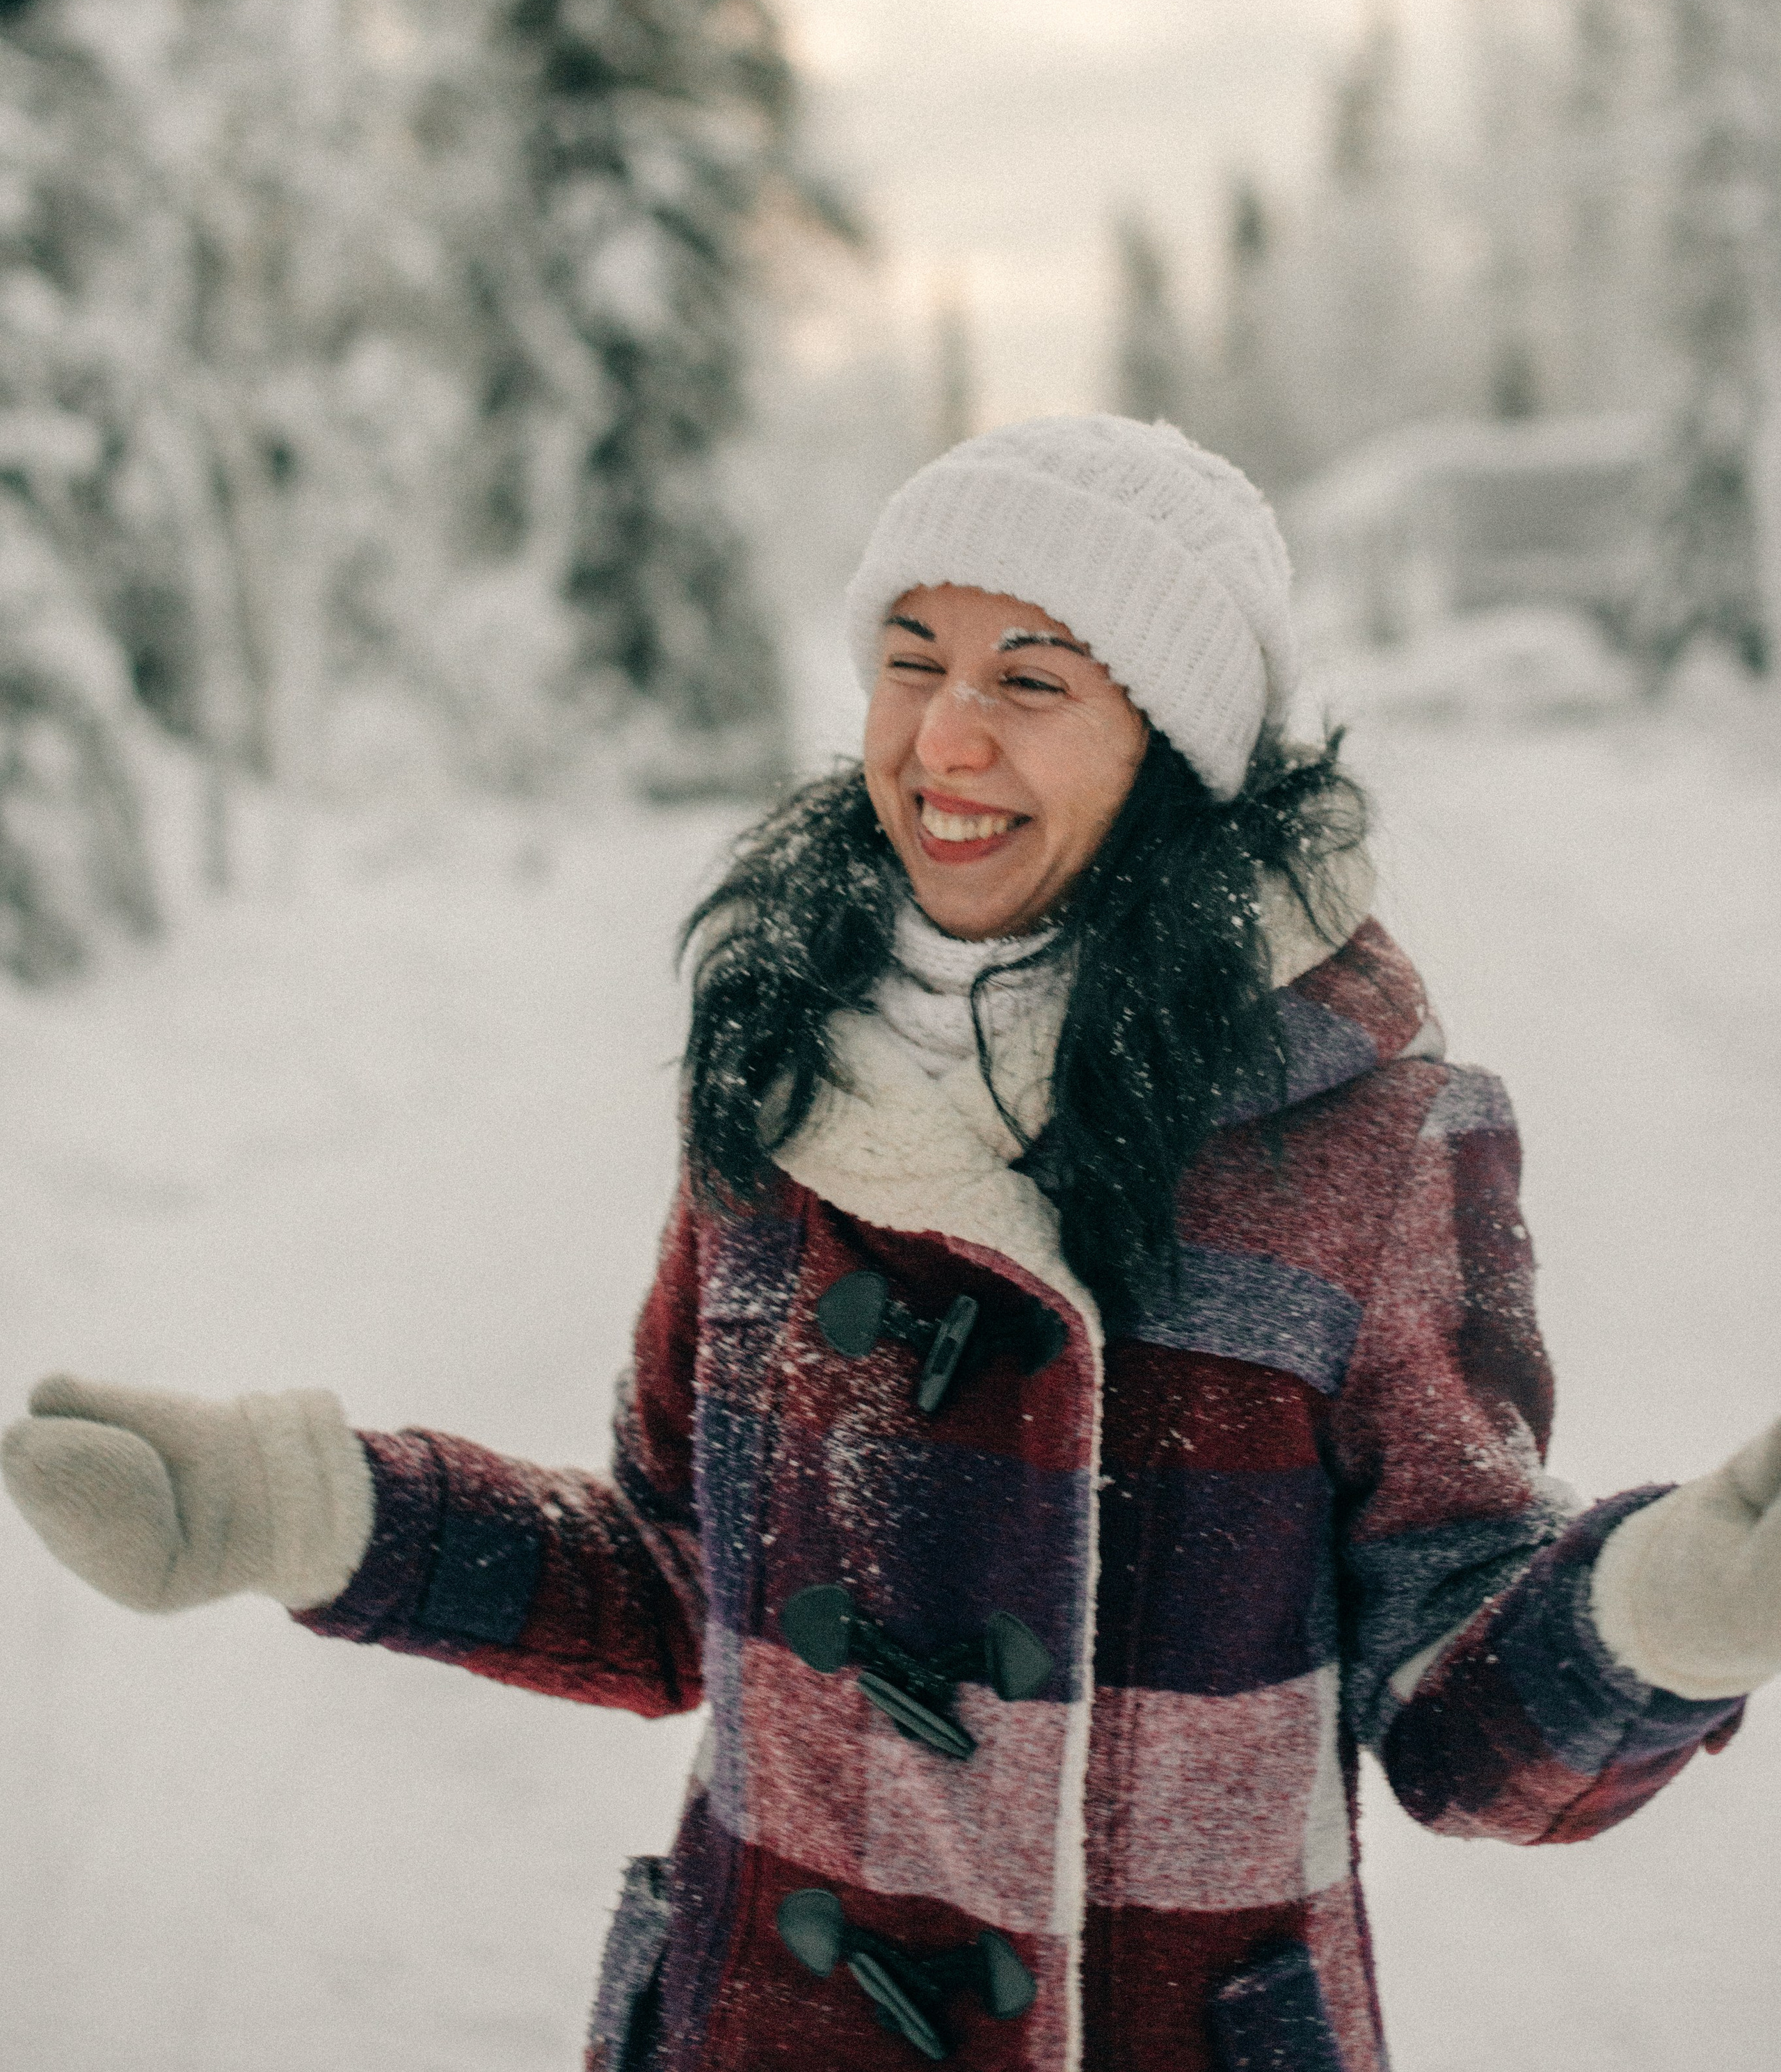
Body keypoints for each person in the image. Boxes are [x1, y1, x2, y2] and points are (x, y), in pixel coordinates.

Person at [6, 413, 1778, 2072]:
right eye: (911, 662)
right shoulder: (788, 1079)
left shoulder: (1367, 1139)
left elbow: (1454, 1721)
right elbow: (672, 1577)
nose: (942, 741)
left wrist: (1667, 1612)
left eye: (1031, 680)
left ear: (1171, 746)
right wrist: (294, 1508)